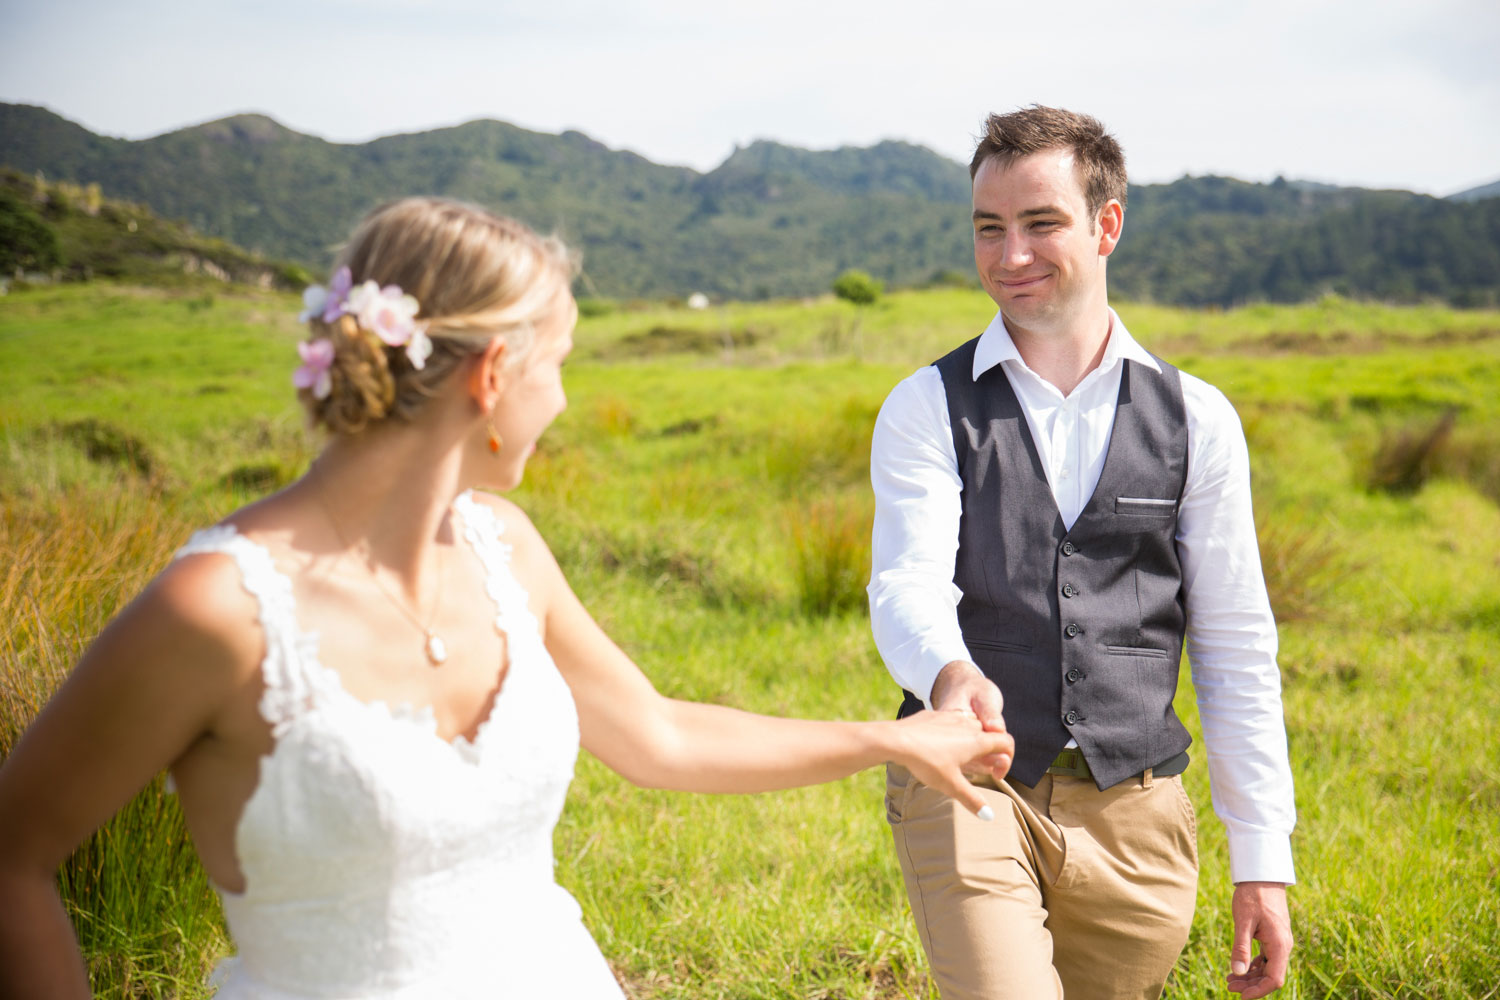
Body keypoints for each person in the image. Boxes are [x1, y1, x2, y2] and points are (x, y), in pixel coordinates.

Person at [0, 196, 1017, 999]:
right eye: (561, 364)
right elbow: (15, 856)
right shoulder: (216, 610)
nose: (565, 400)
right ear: (493, 373)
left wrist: (893, 740)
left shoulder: (507, 552)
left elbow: (657, 735)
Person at [867, 107, 1297, 1000]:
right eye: (989, 227)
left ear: (1107, 225)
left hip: (1137, 819)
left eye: (1040, 223)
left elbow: (1234, 644)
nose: (1008, 253)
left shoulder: (1198, 420)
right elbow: (907, 580)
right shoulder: (924, 405)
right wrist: (948, 676)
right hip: (970, 781)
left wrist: (1262, 857)